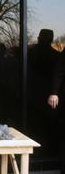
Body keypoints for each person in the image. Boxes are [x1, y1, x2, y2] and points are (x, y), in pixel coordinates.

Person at [27, 29, 64, 157]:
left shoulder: (30, 53)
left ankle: (45, 150)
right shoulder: (54, 55)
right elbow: (58, 72)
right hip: (45, 95)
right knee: (45, 124)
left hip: (40, 94)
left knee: (44, 125)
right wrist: (54, 92)